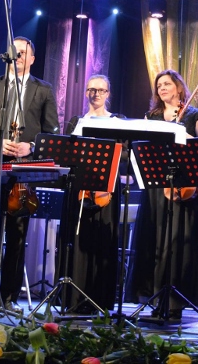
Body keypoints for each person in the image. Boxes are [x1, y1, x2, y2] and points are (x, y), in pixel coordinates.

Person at [0, 36, 59, 311]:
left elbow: (51, 131)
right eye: (14, 52)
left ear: (32, 59)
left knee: (18, 236)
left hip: (24, 171)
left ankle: (8, 298)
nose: (18, 56)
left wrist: (31, 146)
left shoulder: (44, 89)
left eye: (23, 53)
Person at [131, 69, 198, 321]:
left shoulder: (195, 115)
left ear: (178, 87)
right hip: (156, 187)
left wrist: (186, 137)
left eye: (167, 84)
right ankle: (154, 298)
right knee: (154, 240)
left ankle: (175, 302)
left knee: (176, 243)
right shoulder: (151, 117)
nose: (162, 88)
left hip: (182, 188)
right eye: (159, 85)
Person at [60, 74, 124, 312]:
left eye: (100, 90)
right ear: (86, 92)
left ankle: (100, 301)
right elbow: (66, 154)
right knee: (77, 240)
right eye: (91, 90)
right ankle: (74, 298)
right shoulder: (76, 121)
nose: (95, 94)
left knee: (103, 242)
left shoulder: (118, 121)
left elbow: (124, 154)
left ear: (108, 94)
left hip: (106, 189)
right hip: (80, 188)